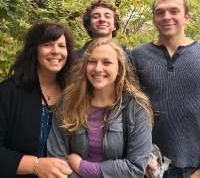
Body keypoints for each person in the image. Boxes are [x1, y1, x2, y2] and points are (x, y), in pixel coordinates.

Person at [48, 38, 153, 178]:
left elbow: (135, 168)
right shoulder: (68, 102)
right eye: (92, 62)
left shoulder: (136, 107)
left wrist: (82, 166)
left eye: (107, 62)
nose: (98, 68)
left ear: (120, 68)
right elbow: (57, 159)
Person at [130, 0, 200, 178]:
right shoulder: (137, 56)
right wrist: (138, 159)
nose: (166, 17)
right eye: (160, 12)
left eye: (174, 11)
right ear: (153, 18)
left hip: (195, 167)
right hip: (151, 165)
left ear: (187, 17)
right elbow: (129, 109)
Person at [0, 22, 74, 178]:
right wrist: (35, 165)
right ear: (34, 50)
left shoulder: (73, 93)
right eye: (48, 45)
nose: (56, 51)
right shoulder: (9, 92)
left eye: (62, 46)